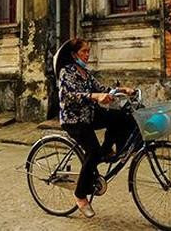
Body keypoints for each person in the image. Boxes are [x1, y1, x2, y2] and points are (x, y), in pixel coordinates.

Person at [56, 38, 136, 218]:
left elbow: (102, 88)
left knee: (121, 117)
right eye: (84, 51)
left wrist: (122, 90)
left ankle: (108, 150)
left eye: (88, 51)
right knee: (92, 152)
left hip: (90, 115)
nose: (87, 55)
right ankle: (80, 195)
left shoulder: (85, 72)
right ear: (74, 54)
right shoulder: (66, 72)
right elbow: (69, 95)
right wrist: (95, 96)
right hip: (74, 119)